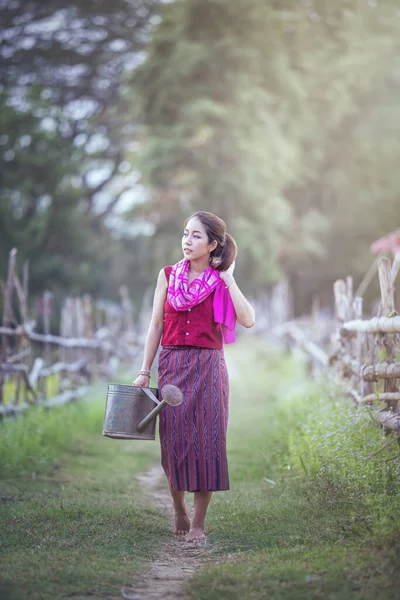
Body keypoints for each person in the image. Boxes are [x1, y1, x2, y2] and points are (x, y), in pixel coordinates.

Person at [132, 211, 255, 543]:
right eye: (185, 234)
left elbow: (248, 319)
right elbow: (156, 325)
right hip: (171, 364)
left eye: (196, 236)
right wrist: (145, 370)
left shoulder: (219, 281)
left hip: (209, 368)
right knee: (173, 443)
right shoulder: (168, 275)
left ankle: (198, 524)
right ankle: (179, 509)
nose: (187, 241)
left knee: (208, 444)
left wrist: (228, 278)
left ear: (213, 244)